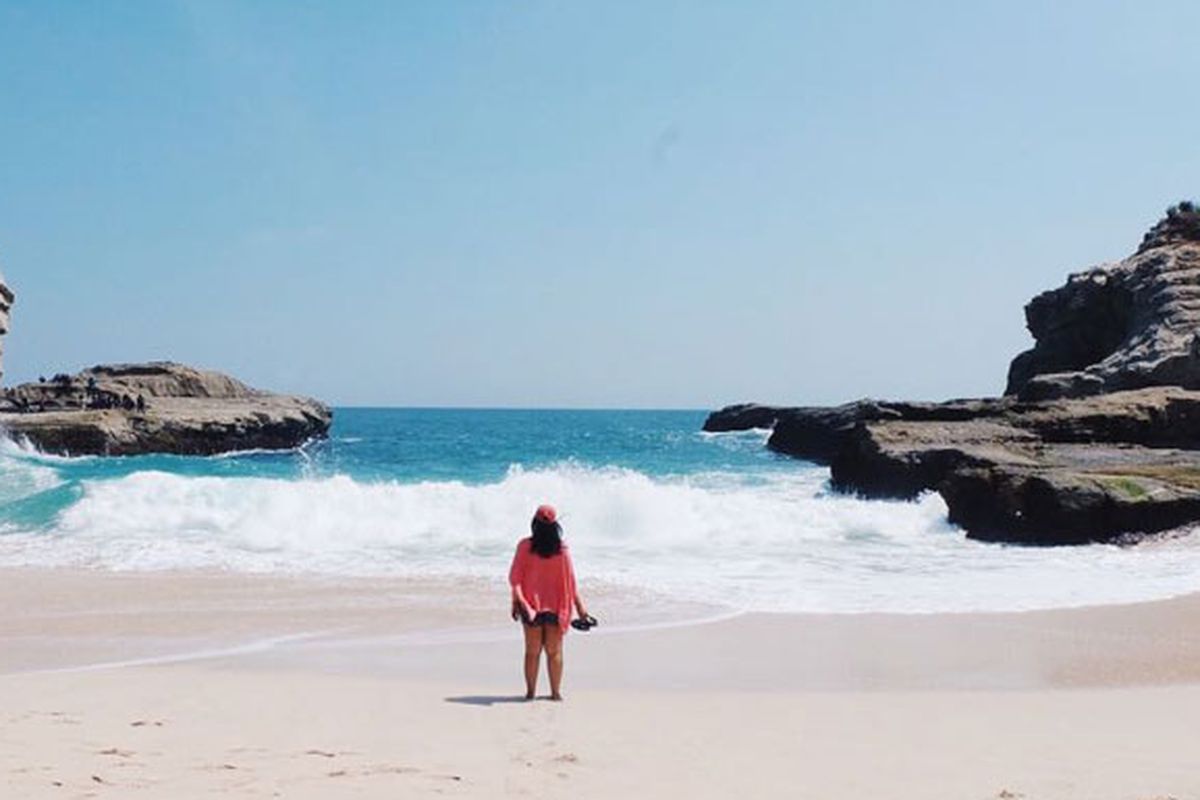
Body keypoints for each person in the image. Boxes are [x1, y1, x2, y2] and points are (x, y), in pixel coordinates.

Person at [508, 504, 590, 701]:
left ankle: (530, 693)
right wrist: (580, 609)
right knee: (554, 652)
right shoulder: (562, 549)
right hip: (556, 607)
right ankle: (555, 693)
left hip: (530, 606)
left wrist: (515, 602)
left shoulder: (524, 546)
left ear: (534, 523)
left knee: (532, 652)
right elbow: (570, 582)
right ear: (555, 526)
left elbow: (516, 579)